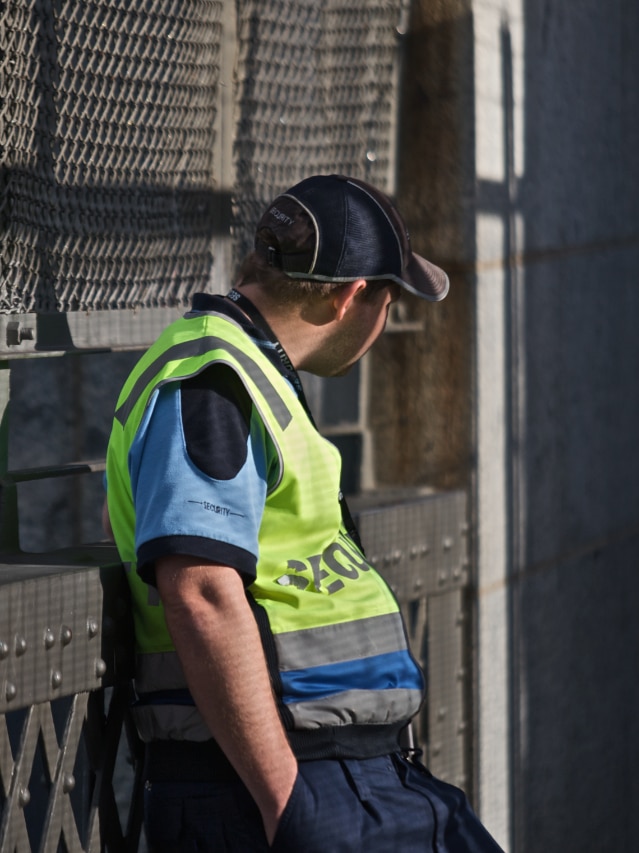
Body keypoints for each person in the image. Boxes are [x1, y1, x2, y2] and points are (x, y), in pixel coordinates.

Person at [105, 174, 503, 852]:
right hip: (286, 783)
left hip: (353, 778)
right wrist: (285, 801)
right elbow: (199, 587)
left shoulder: (249, 370)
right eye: (388, 297)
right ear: (354, 297)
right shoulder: (213, 376)